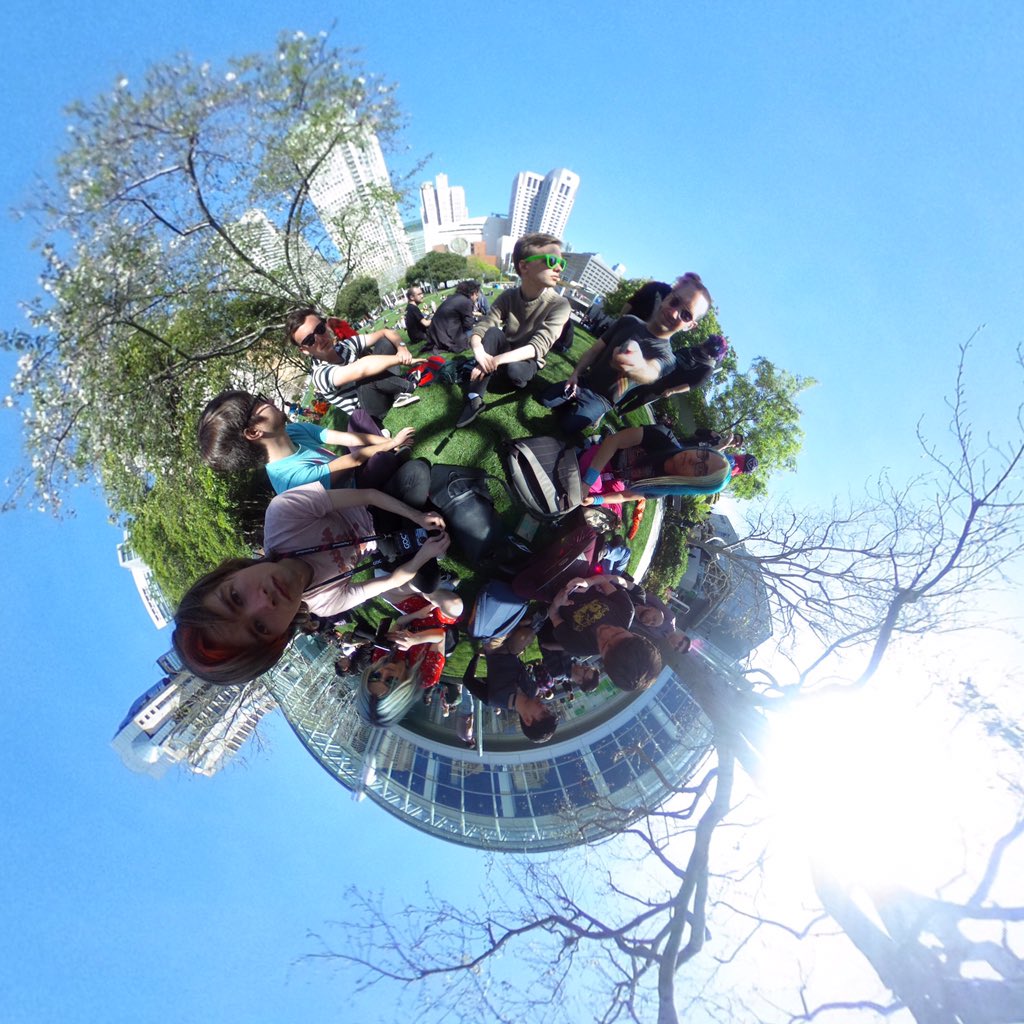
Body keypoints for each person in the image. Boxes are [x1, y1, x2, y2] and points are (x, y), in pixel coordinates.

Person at [172, 483, 450, 684]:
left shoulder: (281, 515)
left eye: (235, 597)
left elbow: (368, 493)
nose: (264, 602)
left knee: (418, 484)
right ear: (280, 636)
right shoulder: (327, 605)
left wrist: (417, 516)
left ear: (228, 574)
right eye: (260, 627)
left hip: (371, 500)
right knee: (429, 577)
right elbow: (394, 580)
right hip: (381, 541)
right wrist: (425, 554)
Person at [540, 274, 714, 434]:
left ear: (690, 326)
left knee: (567, 425)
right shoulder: (628, 321)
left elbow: (651, 372)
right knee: (545, 399)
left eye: (686, 315)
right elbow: (594, 350)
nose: (674, 313)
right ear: (667, 297)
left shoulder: (669, 359)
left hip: (603, 399)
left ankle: (593, 413)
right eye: (675, 302)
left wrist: (636, 365)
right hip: (584, 381)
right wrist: (575, 374)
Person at [455, 233, 571, 429]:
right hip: (506, 348)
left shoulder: (560, 304)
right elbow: (486, 323)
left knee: (514, 371)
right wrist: (478, 349)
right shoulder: (509, 296)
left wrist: (494, 361)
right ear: (524, 266)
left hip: (528, 360)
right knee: (492, 333)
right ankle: (474, 399)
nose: (559, 268)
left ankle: (498, 373)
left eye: (562, 263)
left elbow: (538, 346)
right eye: (552, 261)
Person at [197, 390, 415, 493]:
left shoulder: (293, 430)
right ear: (253, 432)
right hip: (358, 495)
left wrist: (389, 442)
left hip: (353, 469)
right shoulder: (289, 479)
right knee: (381, 462)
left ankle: (392, 456)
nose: (270, 400)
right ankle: (393, 462)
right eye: (259, 402)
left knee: (358, 418)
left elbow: (344, 438)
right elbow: (353, 461)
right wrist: (389, 444)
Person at [285, 308, 422, 428]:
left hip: (380, 386)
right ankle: (408, 385)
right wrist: (400, 360)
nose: (320, 339)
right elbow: (362, 368)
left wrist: (402, 349)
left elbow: (385, 332)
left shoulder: (344, 346)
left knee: (384, 342)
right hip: (369, 411)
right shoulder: (320, 374)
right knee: (364, 374)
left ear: (325, 326)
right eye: (309, 340)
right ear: (304, 350)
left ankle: (396, 392)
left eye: (320, 329)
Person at [355, 588, 463, 728]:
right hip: (439, 621)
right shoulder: (425, 678)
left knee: (385, 589)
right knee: (454, 605)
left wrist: (417, 614)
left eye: (376, 676)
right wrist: (415, 640)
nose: (385, 671)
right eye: (390, 681)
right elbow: (441, 636)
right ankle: (427, 588)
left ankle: (427, 588)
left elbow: (399, 623)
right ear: (402, 691)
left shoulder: (380, 658)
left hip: (416, 615)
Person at [542, 575, 662, 692]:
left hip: (547, 588)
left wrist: (556, 603)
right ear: (636, 635)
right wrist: (589, 582)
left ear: (604, 660)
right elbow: (603, 581)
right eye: (617, 633)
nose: (605, 632)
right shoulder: (626, 611)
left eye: (604, 645)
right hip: (579, 572)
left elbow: (553, 615)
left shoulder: (577, 646)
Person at [578, 425, 733, 504]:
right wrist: (588, 481)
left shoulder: (661, 488)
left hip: (614, 481)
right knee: (591, 486)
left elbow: (625, 496)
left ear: (695, 483)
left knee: (606, 509)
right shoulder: (662, 436)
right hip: (604, 457)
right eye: (703, 454)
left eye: (701, 469)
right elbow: (614, 441)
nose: (694, 460)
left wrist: (596, 500)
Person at [461, 645, 558, 743]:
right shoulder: (533, 689)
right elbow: (519, 667)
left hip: (493, 645)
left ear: (527, 720)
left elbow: (468, 680)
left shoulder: (494, 698)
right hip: (511, 644)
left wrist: (476, 656)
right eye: (547, 710)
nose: (544, 706)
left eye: (543, 713)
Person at [426, 280, 480, 354]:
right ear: (473, 293)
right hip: (448, 338)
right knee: (478, 330)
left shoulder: (453, 298)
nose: (477, 296)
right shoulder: (466, 301)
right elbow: (468, 325)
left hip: (436, 336)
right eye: (477, 294)